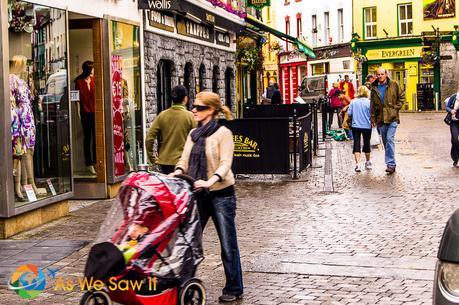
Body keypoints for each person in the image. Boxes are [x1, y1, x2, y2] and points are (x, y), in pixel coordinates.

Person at [170, 91, 243, 302]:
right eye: (193, 106)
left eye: (199, 107)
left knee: (228, 244)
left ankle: (234, 287)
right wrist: (177, 172)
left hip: (221, 195)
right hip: (198, 195)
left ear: (211, 110)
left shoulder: (223, 133)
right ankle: (184, 285)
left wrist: (211, 181)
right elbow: (183, 161)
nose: (193, 110)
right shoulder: (193, 134)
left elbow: (225, 163)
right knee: (188, 241)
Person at [146, 85, 196, 174]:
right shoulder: (190, 116)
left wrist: (152, 158)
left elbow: (149, 138)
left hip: (165, 162)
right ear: (185, 99)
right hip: (183, 162)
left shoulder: (162, 115)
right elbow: (196, 139)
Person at [10, 55, 38, 199]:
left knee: (30, 150)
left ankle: (29, 183)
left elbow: (31, 97)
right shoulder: (11, 79)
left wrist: (31, 83)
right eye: (24, 64)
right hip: (18, 118)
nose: (26, 66)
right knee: (20, 153)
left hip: (27, 116)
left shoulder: (23, 80)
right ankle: (24, 185)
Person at [370, 67, 405, 174]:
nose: (380, 76)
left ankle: (391, 164)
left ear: (386, 74)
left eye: (382, 74)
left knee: (390, 139)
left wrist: (395, 108)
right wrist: (373, 118)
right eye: (378, 74)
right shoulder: (374, 88)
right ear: (376, 75)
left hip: (392, 117)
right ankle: (390, 163)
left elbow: (402, 97)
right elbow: (372, 105)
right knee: (385, 142)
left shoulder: (393, 84)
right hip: (381, 119)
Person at [74, 61, 96, 175]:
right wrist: (78, 114)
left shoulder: (94, 81)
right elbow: (76, 100)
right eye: (91, 69)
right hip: (85, 113)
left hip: (95, 112)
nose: (92, 71)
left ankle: (96, 161)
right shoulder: (78, 82)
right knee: (87, 138)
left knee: (96, 138)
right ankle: (89, 163)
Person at [348, 86, 372, 172]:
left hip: (356, 126)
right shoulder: (369, 102)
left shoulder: (353, 102)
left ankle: (358, 165)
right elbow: (372, 114)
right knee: (367, 143)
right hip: (367, 126)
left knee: (356, 144)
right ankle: (368, 162)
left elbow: (349, 113)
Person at [445, 87, 459, 166]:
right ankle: (455, 158)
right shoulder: (454, 97)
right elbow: (447, 107)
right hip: (454, 122)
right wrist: (451, 110)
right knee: (454, 140)